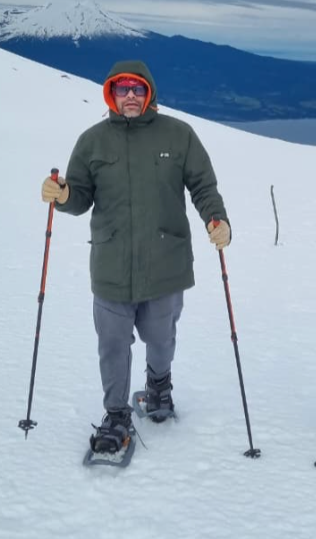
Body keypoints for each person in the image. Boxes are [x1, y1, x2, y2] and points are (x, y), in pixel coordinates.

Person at [41, 59, 231, 456]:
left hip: (166, 261)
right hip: (112, 262)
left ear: (149, 93)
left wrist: (217, 219)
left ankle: (159, 385)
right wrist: (63, 196)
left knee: (161, 337)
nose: (130, 95)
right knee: (112, 343)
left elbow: (203, 185)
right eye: (122, 88)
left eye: (138, 88)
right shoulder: (92, 141)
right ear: (111, 93)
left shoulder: (179, 134)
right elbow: (79, 197)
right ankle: (116, 414)